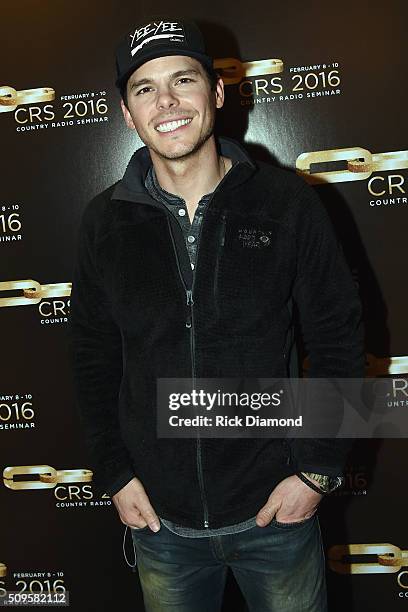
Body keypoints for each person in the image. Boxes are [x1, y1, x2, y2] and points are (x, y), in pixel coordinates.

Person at [69, 16, 364, 612]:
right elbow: (93, 357)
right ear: (128, 113)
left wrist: (318, 472)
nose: (167, 101)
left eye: (184, 79)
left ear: (218, 93)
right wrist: (114, 473)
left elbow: (339, 339)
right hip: (162, 527)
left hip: (276, 519)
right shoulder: (103, 222)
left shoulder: (289, 203)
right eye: (144, 88)